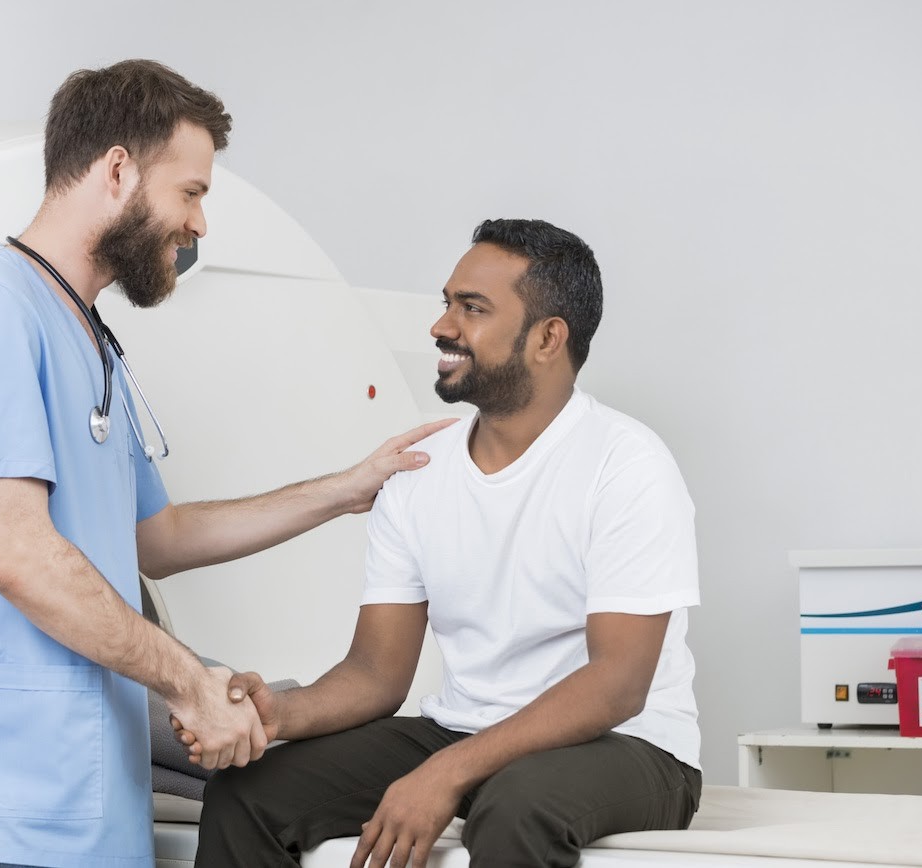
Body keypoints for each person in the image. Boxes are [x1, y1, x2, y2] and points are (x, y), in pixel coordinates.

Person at [0, 59, 450, 868]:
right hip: (3, 800)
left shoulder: (89, 338)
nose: (199, 224)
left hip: (90, 795)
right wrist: (191, 683)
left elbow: (155, 537)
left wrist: (343, 490)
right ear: (118, 169)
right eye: (190, 192)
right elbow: (16, 553)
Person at [188, 218, 703, 868]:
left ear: (548, 338)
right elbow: (377, 672)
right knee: (248, 792)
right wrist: (281, 713)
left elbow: (618, 685)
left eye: (473, 308)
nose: (442, 325)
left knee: (517, 808)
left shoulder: (626, 465)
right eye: (448, 302)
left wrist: (447, 772)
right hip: (464, 730)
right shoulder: (420, 470)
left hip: (630, 744)